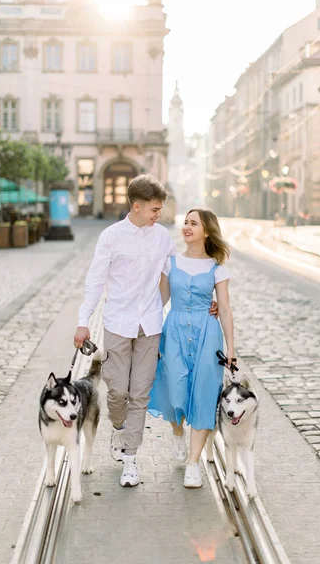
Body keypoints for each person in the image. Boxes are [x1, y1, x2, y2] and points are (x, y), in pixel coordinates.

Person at [74, 175, 216, 488]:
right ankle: (119, 427)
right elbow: (95, 280)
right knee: (117, 392)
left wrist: (206, 300)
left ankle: (129, 459)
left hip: (151, 325)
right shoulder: (111, 237)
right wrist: (83, 320)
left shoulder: (162, 238)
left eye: (160, 209)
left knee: (139, 393)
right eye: (154, 209)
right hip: (117, 323)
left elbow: (177, 274)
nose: (159, 214)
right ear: (136, 206)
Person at [148, 209, 234, 488]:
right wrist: (142, 331)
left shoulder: (217, 268)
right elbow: (159, 301)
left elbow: (226, 309)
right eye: (185, 222)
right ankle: (177, 432)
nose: (186, 227)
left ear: (206, 231)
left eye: (193, 223)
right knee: (175, 391)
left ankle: (193, 464)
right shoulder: (170, 263)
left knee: (204, 395)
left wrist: (231, 348)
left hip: (207, 336)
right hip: (173, 333)